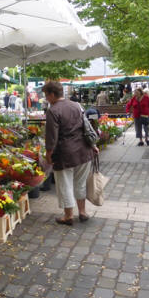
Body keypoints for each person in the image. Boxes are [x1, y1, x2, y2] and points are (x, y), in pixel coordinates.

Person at [44, 82, 98, 225]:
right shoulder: (76, 105)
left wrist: (48, 153)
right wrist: (93, 145)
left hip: (64, 153)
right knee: (80, 183)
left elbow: (51, 136)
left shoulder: (53, 110)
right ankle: (82, 212)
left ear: (52, 94)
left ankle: (68, 216)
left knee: (65, 184)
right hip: (83, 151)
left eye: (46, 95)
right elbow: (86, 127)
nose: (46, 98)